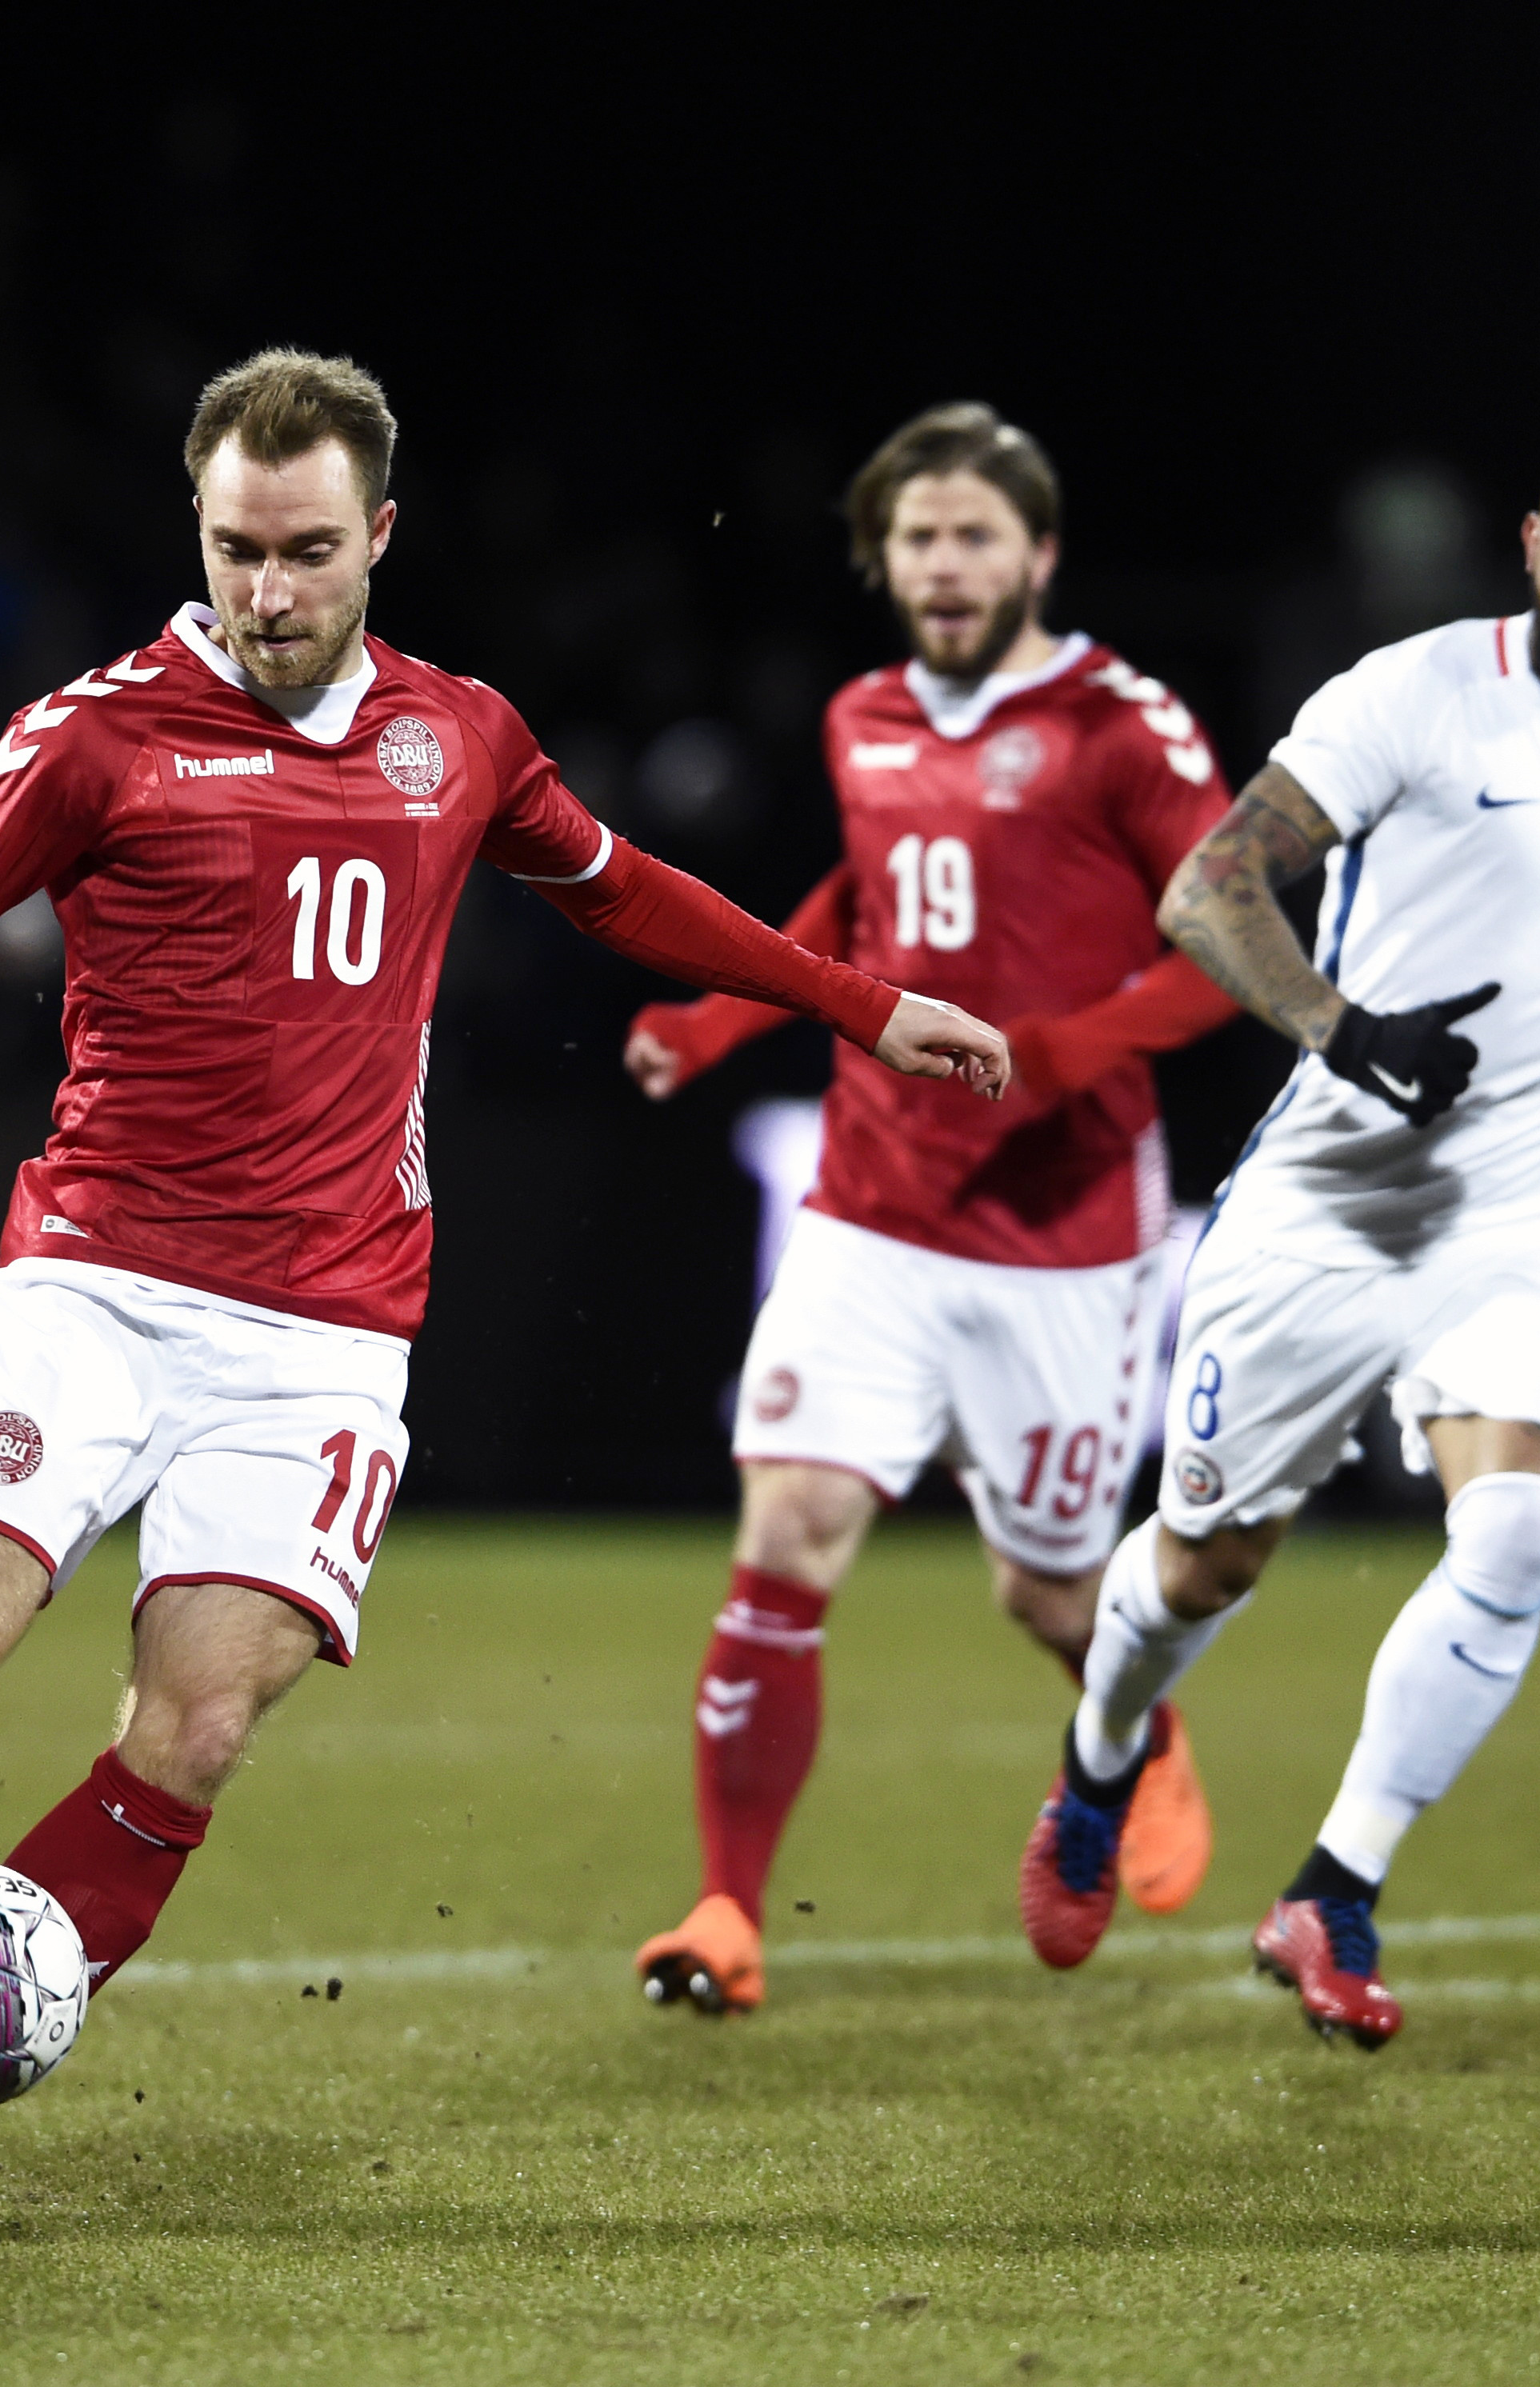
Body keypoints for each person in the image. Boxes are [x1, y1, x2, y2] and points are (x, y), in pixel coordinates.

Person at [0, 349, 1014, 2246]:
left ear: (378, 539)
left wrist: (853, 1003)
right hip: (96, 1282)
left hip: (326, 1335)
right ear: (198, 531)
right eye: (237, 551)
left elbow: (620, 888)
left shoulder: (458, 737)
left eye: (308, 555)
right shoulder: (93, 737)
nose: (268, 594)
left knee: (190, 1735)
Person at [1021, 400, 1540, 2043]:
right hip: (1325, 1203)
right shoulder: (1415, 692)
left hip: (1528, 1216)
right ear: (1530, 540)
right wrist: (1339, 1026)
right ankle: (1099, 1764)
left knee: (1523, 1523)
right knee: (1199, 1568)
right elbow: (1210, 885)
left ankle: (1332, 1890)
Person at [622, 404, 1239, 2018]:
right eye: (916, 538)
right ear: (880, 562)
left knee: (1044, 1589)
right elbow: (864, 908)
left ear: (1036, 553)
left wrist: (1059, 1054)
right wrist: (719, 1014)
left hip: (1063, 1231)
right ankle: (725, 1912)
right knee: (787, 1533)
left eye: (974, 535)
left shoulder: (1122, 725)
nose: (944, 564)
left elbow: (1231, 939)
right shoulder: (860, 715)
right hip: (872, 1204)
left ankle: (1139, 1731)